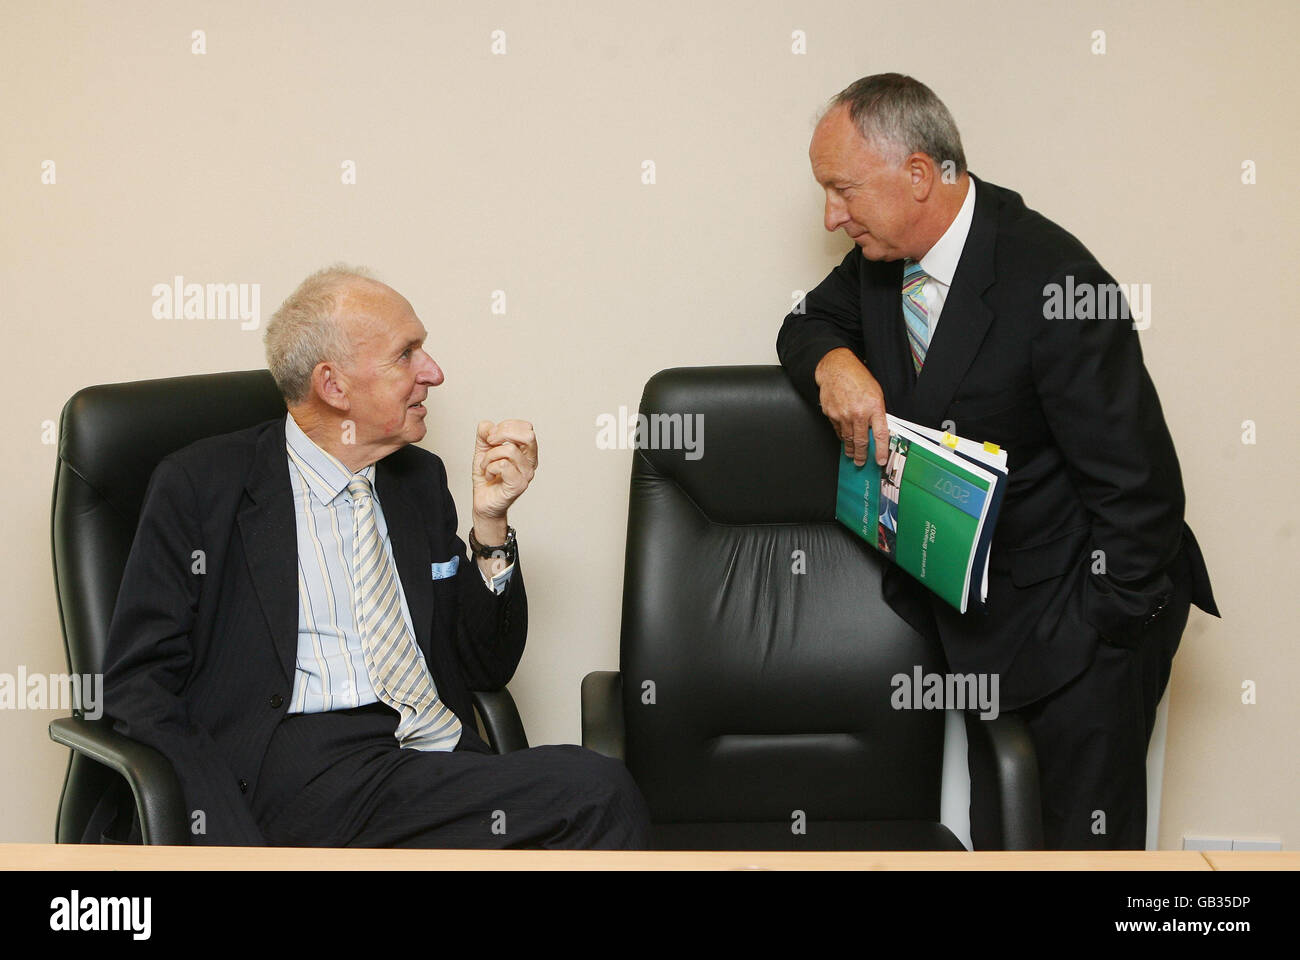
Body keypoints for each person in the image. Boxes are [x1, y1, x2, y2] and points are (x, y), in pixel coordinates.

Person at [777, 74, 1218, 849]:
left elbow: (1141, 496)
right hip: (982, 612)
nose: (830, 216)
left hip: (1085, 614)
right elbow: (805, 322)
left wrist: (1099, 638)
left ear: (918, 176)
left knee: (1079, 847)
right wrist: (835, 365)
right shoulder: (882, 259)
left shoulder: (1059, 284)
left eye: (842, 190)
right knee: (1003, 840)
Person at [98, 264, 650, 848]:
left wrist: (489, 524)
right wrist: (224, 833)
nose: (434, 373)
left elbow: (485, 667)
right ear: (333, 386)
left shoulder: (418, 481)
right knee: (596, 791)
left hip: (426, 755)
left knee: (585, 799)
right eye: (407, 354)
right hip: (294, 768)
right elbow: (137, 685)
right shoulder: (202, 485)